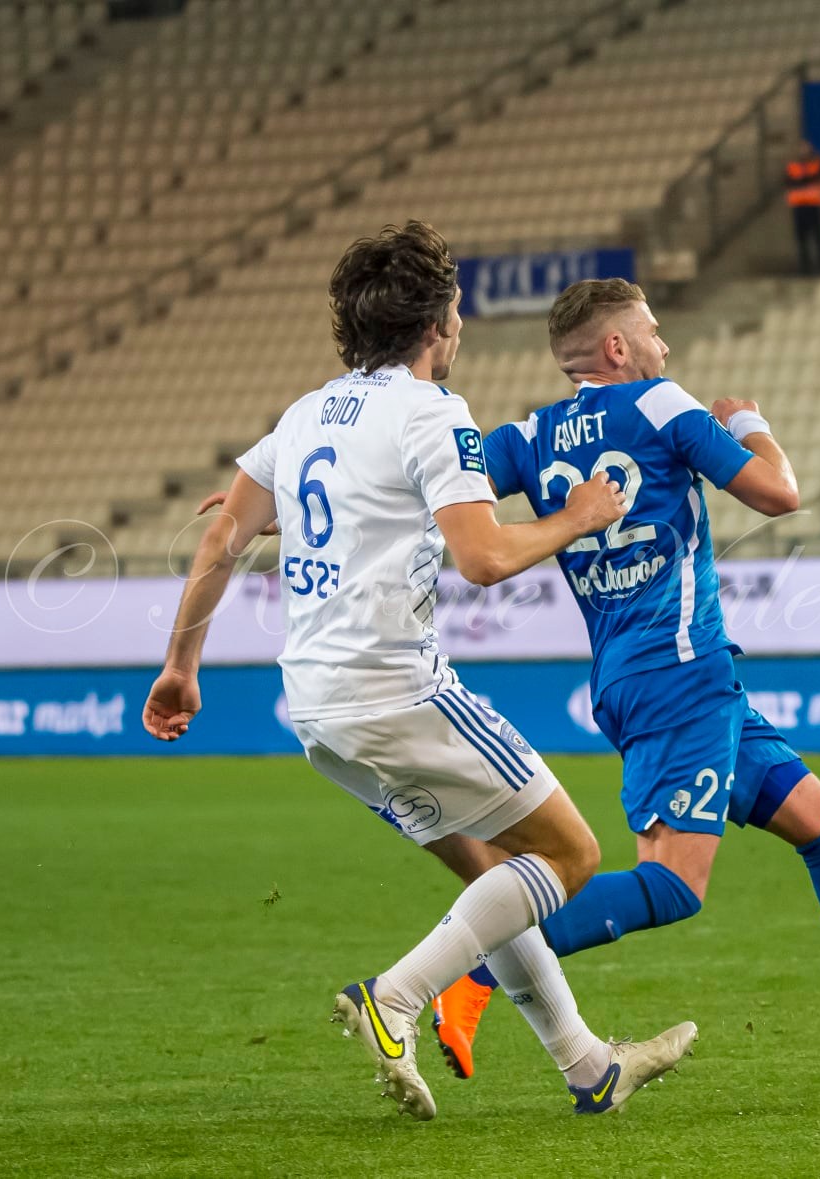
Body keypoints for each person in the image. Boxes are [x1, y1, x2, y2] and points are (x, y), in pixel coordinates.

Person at [143, 224, 694, 1121]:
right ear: (439, 322)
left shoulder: (305, 414)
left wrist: (180, 666)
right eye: (459, 307)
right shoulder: (433, 413)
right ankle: (394, 998)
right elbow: (482, 557)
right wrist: (583, 515)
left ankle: (589, 1065)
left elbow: (221, 534)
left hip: (317, 709)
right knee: (571, 853)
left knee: (494, 871)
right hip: (397, 687)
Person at [431, 278, 820, 1079]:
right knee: (674, 882)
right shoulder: (659, 403)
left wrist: (282, 506)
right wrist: (745, 422)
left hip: (645, 679)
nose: (664, 345)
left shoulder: (530, 435)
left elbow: (431, 481)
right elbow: (780, 493)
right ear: (617, 348)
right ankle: (469, 973)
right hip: (680, 673)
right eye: (651, 331)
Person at [785, 139, 820, 276]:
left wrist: (803, 180)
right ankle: (805, 268)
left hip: (814, 206)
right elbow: (790, 182)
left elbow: (817, 177)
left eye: (806, 148)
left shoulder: (817, 164)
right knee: (802, 240)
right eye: (801, 148)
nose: (803, 151)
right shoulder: (792, 166)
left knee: (819, 238)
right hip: (799, 208)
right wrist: (806, 179)